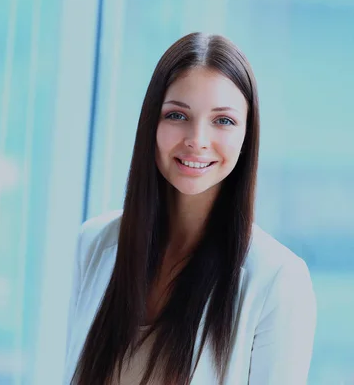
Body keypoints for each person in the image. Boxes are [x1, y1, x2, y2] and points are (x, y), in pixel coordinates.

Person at [64, 32, 317, 385]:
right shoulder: (94, 245)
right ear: (151, 123)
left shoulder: (277, 280)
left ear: (247, 135)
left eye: (223, 120)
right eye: (177, 115)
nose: (197, 139)